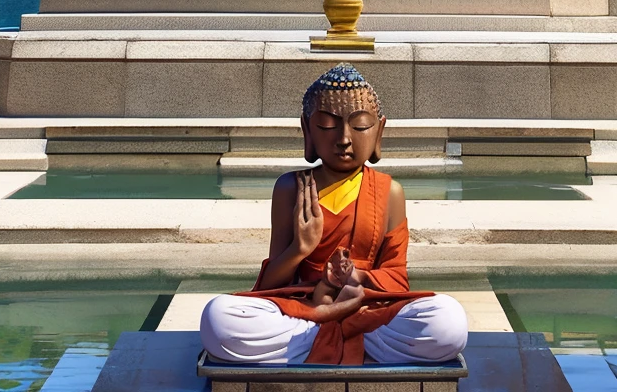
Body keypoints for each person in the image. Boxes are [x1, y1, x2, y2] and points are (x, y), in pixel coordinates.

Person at [200, 64, 468, 365]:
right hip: (306, 309)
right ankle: (341, 334)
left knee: (448, 320)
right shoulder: (291, 188)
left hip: (368, 311)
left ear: (379, 130)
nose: (343, 139)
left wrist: (356, 276)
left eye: (360, 126)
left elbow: (397, 279)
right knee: (219, 317)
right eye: (327, 126)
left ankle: (324, 337)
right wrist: (299, 249)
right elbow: (269, 288)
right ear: (307, 130)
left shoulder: (389, 191)